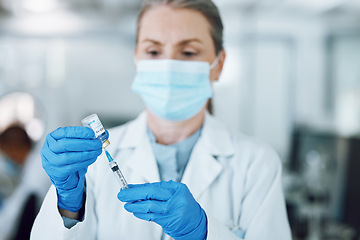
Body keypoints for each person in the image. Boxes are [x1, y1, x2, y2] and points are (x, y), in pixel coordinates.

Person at [31, 0, 291, 239]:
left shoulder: (256, 165)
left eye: (188, 53)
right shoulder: (95, 162)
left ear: (219, 64)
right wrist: (69, 205)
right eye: (154, 52)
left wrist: (205, 232)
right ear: (137, 59)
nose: (168, 66)